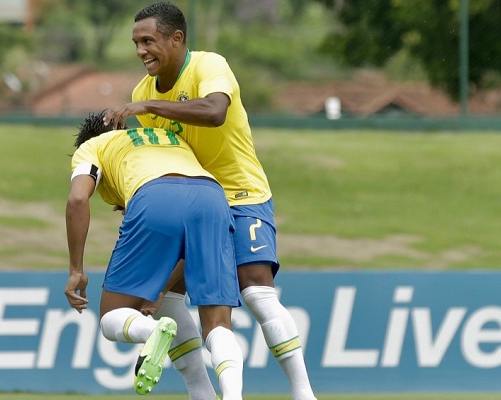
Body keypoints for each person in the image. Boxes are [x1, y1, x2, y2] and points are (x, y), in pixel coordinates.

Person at [103, 2, 317, 400]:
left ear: (176, 38)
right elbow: (163, 153)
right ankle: (202, 394)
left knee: (256, 291)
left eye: (148, 41)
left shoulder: (208, 66)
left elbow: (215, 111)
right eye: (136, 43)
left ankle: (304, 394)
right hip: (197, 205)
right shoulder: (141, 92)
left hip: (242, 194)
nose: (141, 51)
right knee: (164, 299)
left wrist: (147, 107)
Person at [63, 110, 243, 399]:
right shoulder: (167, 138)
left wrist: (76, 270)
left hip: (154, 196)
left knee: (112, 317)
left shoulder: (93, 146)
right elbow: (185, 246)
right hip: (213, 199)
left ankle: (149, 333)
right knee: (216, 324)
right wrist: (159, 289)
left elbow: (77, 198)